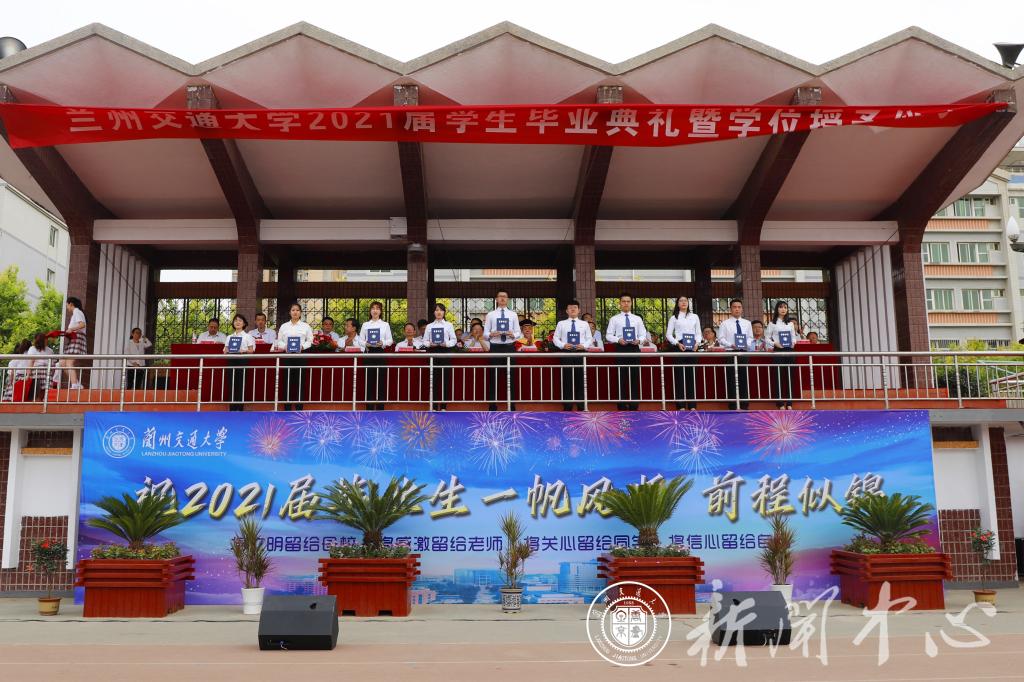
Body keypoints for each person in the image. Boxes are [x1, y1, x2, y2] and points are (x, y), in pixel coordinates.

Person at [605, 293, 647, 411]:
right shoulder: (614, 319)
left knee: (634, 377)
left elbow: (643, 334)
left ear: (631, 303)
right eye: (623, 301)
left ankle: (634, 405)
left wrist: (639, 340)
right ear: (620, 303)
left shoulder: (637, 318)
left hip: (634, 348)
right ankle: (622, 405)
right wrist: (618, 339)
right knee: (621, 377)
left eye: (628, 301)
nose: (626, 303)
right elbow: (608, 335)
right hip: (620, 348)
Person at [552, 299, 593, 411]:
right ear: (567, 311)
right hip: (567, 352)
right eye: (570, 308)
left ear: (579, 310)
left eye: (575, 307)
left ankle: (581, 405)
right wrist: (563, 345)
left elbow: (589, 338)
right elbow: (555, 338)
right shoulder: (561, 323)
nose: (573, 309)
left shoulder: (584, 324)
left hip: (580, 353)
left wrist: (583, 346)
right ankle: (567, 405)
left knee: (581, 379)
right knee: (567, 379)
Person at [484, 290, 521, 411]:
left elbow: (518, 333)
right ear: (496, 299)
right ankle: (492, 405)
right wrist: (491, 334)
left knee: (511, 376)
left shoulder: (513, 315)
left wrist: (513, 334)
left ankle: (511, 405)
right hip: (495, 347)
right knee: (493, 376)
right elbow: (485, 334)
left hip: (509, 347)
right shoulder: (490, 315)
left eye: (505, 296)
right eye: (500, 296)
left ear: (508, 299)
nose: (502, 298)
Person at [275, 302, 314, 410]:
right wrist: (285, 346)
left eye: (297, 310)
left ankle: (299, 408)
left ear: (300, 312)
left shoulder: (305, 326)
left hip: (301, 356)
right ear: (289, 312)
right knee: (287, 381)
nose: (295, 312)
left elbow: (310, 341)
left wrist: (302, 346)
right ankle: (287, 407)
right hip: (287, 356)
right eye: (293, 310)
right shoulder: (284, 326)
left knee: (300, 382)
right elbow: (279, 341)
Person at [665, 295, 701, 410]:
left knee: (692, 376)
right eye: (681, 301)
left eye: (685, 301)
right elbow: (668, 334)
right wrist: (677, 343)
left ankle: (692, 405)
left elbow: (698, 333)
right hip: (679, 346)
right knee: (679, 376)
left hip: (693, 347)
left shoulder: (694, 316)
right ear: (677, 303)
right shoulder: (674, 318)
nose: (684, 302)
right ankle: (680, 405)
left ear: (688, 303)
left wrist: (697, 343)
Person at [717, 299, 753, 410]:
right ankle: (733, 405)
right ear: (730, 309)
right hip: (730, 352)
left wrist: (746, 344)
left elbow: (750, 337)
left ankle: (744, 405)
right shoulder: (725, 323)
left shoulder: (747, 323)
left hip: (743, 352)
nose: (737, 309)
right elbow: (721, 338)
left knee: (743, 378)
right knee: (731, 379)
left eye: (739, 307)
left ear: (742, 309)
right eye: (734, 307)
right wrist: (730, 345)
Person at [360, 301, 394, 410]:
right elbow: (360, 340)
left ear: (380, 311)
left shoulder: (385, 325)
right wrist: (366, 343)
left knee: (381, 381)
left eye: (377, 308)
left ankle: (380, 408)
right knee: (369, 381)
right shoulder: (365, 324)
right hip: (369, 353)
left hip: (380, 353)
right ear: (370, 311)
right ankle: (369, 408)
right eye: (373, 308)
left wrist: (383, 342)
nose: (375, 310)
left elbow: (390, 340)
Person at [424, 303, 457, 410]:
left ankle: (443, 406)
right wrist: (430, 344)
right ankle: (433, 406)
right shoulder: (429, 326)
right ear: (433, 312)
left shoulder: (449, 325)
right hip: (433, 352)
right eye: (436, 310)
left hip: (445, 352)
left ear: (444, 312)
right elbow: (425, 341)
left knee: (445, 380)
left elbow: (454, 340)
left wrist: (446, 344)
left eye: (441, 310)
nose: (439, 312)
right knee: (433, 380)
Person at [766, 301, 798, 409]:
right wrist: (775, 343)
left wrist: (793, 343)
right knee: (778, 376)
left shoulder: (790, 323)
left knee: (790, 376)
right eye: (780, 307)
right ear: (777, 309)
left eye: (785, 307)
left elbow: (793, 337)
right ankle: (780, 403)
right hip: (778, 350)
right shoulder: (772, 323)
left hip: (789, 350)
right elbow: (767, 338)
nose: (783, 309)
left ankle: (789, 403)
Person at [223, 314, 256, 411]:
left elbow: (251, 350)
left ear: (244, 324)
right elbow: (225, 350)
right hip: (231, 360)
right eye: (236, 320)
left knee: (241, 384)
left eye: (240, 320)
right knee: (231, 384)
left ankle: (240, 409)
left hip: (242, 361)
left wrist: (243, 351)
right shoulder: (229, 337)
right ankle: (232, 409)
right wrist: (227, 350)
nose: (237, 322)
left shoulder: (248, 336)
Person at [62, 296, 88, 389]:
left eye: (67, 305)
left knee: (69, 362)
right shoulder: (76, 313)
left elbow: (82, 324)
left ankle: (74, 385)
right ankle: (76, 383)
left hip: (77, 338)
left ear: (71, 304)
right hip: (75, 338)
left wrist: (71, 329)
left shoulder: (77, 311)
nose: (66, 307)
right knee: (62, 363)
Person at [27, 332, 55, 399]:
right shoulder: (49, 350)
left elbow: (31, 361)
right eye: (46, 339)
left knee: (38, 390)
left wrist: (28, 374)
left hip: (39, 370)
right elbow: (53, 364)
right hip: (45, 371)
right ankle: (41, 401)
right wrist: (52, 373)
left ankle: (39, 401)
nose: (47, 341)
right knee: (43, 390)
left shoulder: (33, 348)